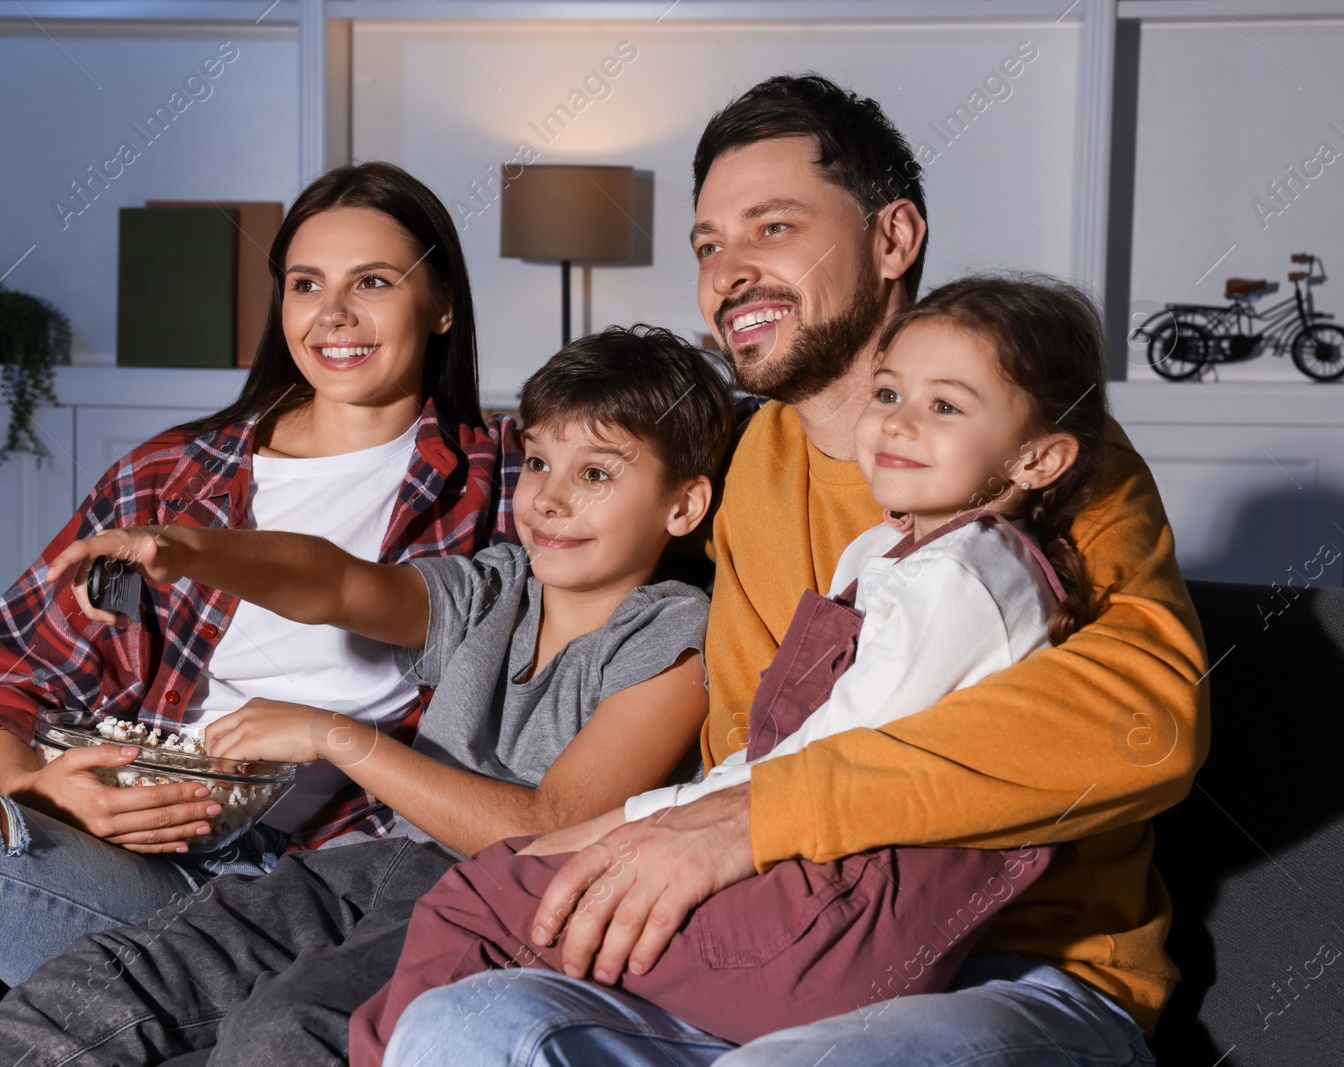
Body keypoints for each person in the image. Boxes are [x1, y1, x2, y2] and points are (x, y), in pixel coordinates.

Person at [380, 72, 1206, 1067]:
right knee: (457, 1024)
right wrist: (651, 835)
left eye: (770, 228)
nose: (727, 270)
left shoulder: (1036, 452)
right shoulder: (755, 468)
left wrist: (753, 817)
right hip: (777, 932)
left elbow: (1146, 718)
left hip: (1023, 966)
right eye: (707, 245)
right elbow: (749, 726)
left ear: (892, 240)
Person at [0, 160, 522, 1064]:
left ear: (442, 305)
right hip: (100, 842)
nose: (333, 315)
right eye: (306, 284)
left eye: (374, 283)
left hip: (273, 888)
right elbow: (4, 666)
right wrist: (31, 783)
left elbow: (633, 460)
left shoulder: (504, 480)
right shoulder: (173, 473)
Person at [0, 324, 735, 1067]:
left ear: (684, 502)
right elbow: (338, 583)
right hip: (366, 868)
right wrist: (189, 548)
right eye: (542, 464)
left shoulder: (674, 634)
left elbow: (544, 829)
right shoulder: (497, 585)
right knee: (110, 977)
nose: (550, 497)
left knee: (284, 1029)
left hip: (500, 906)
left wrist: (339, 736)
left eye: (595, 473)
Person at [354, 272, 1114, 1065]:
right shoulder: (884, 552)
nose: (898, 425)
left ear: (1040, 458)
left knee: (476, 900)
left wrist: (627, 822)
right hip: (807, 892)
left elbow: (813, 762)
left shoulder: (966, 578)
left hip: (833, 918)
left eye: (946, 406)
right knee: (500, 915)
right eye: (888, 394)